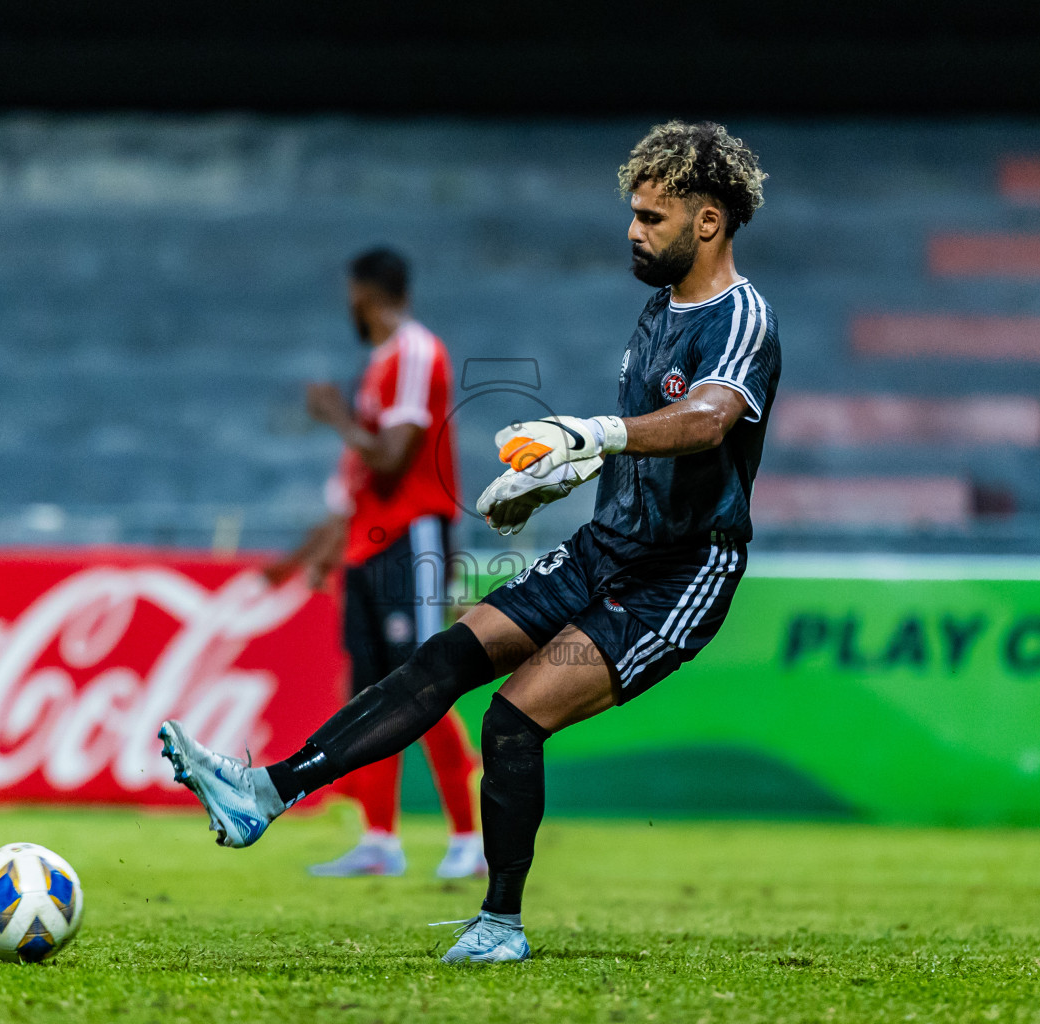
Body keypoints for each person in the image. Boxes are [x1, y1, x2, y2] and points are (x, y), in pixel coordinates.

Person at [161, 121, 779, 964]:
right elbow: (637, 449)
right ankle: (264, 793)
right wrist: (553, 479)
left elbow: (708, 421)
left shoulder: (741, 316)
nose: (633, 231)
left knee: (513, 716)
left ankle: (500, 925)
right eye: (633, 214)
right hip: (609, 545)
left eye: (652, 218)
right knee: (443, 659)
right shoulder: (655, 311)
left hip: (680, 572)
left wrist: (595, 432)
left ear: (708, 221)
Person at [266, 247, 486, 880]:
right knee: (369, 694)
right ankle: (380, 839)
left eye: (350, 294)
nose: (348, 306)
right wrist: (329, 552)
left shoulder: (415, 352)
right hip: (368, 543)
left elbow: (391, 457)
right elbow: (362, 476)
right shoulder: (380, 366)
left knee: (424, 683)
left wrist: (337, 417)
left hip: (409, 537)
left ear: (363, 292)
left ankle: (468, 838)